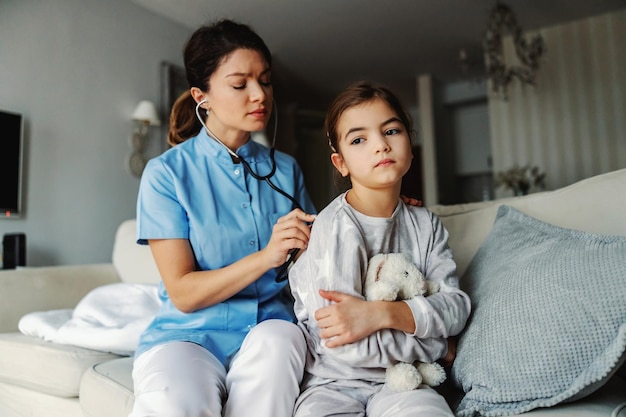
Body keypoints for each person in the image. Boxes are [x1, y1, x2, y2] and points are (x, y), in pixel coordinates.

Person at [129, 19, 317, 417]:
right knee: (172, 402)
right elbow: (182, 292)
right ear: (203, 96)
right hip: (188, 335)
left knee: (281, 343)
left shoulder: (286, 170)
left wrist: (381, 204)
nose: (259, 94)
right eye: (239, 84)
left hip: (271, 326)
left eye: (265, 81)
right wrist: (267, 257)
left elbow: (317, 257)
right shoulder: (166, 175)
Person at [289, 81, 472, 416]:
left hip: (405, 381)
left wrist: (382, 314)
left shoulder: (426, 224)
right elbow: (343, 341)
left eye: (391, 131)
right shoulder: (335, 226)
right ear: (340, 163)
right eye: (359, 139)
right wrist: (436, 345)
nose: (380, 146)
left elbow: (456, 308)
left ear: (410, 146)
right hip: (333, 383)